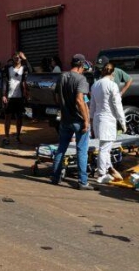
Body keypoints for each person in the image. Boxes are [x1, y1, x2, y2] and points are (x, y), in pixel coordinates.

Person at [51, 54, 92, 189]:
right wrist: (86, 120)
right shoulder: (81, 79)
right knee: (81, 150)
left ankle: (55, 177)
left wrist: (63, 107)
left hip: (65, 119)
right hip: (78, 120)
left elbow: (55, 96)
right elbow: (80, 101)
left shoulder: (62, 76)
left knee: (61, 149)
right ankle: (83, 182)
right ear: (81, 65)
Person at [90, 63, 127, 184]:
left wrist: (91, 120)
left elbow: (92, 105)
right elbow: (117, 104)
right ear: (113, 73)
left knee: (104, 147)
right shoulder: (112, 85)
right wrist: (122, 121)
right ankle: (102, 174)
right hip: (108, 119)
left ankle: (108, 170)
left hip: (97, 118)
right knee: (105, 149)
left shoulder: (95, 85)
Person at [2, 51, 32, 145]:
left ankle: (18, 136)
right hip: (9, 96)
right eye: (15, 56)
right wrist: (3, 94)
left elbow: (31, 71)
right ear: (12, 58)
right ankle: (6, 136)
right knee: (7, 117)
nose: (17, 58)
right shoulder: (8, 68)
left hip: (20, 96)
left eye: (19, 57)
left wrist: (25, 59)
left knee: (19, 117)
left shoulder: (24, 68)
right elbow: (4, 81)